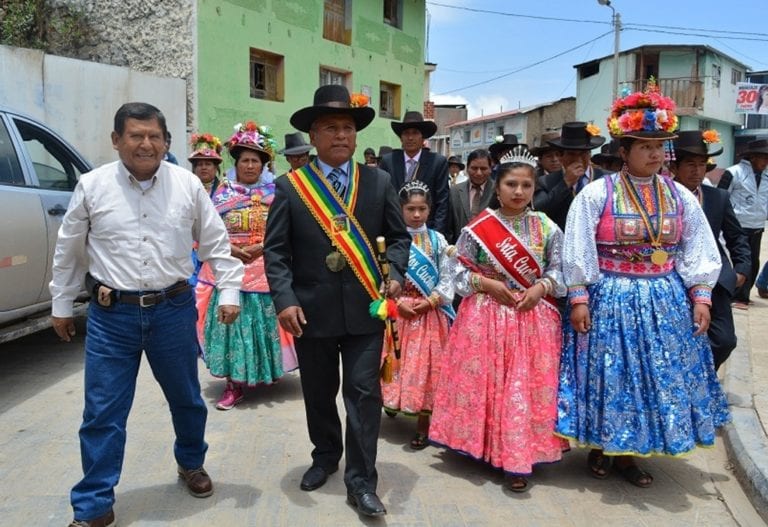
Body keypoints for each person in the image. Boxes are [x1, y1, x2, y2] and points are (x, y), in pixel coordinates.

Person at [50, 102, 244, 527]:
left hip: (172, 311)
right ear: (116, 140)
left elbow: (215, 243)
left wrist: (230, 291)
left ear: (166, 141)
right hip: (110, 316)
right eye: (135, 135)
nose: (146, 143)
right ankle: (94, 504)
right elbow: (69, 250)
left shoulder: (187, 186)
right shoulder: (92, 185)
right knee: (102, 412)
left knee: (187, 400)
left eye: (155, 135)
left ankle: (191, 462)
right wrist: (61, 303)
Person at [557, 84, 729, 489]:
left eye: (659, 147)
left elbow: (697, 246)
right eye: (645, 146)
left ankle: (631, 452)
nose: (655, 154)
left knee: (654, 375)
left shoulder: (680, 197)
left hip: (664, 298)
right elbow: (577, 244)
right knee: (610, 375)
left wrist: (701, 294)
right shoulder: (596, 194)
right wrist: (579, 295)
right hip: (611, 297)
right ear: (624, 150)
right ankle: (603, 445)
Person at [263, 84, 410, 518]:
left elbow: (399, 238)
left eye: (348, 128)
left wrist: (396, 274)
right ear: (314, 134)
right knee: (318, 392)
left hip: (367, 309)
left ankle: (362, 481)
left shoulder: (379, 181)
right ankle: (325, 454)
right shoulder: (292, 188)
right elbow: (276, 251)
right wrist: (284, 300)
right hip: (312, 311)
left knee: (364, 394)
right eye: (331, 128)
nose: (342, 136)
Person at [430, 146, 568, 492]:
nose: (518, 192)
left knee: (522, 387)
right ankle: (482, 445)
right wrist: (485, 282)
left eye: (525, 185)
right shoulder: (479, 228)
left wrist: (542, 286)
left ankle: (518, 456)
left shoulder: (547, 227)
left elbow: (561, 269)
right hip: (485, 318)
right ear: (498, 185)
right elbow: (456, 270)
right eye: (511, 184)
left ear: (534, 188)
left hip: (531, 319)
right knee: (489, 385)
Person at [196, 121, 297, 411]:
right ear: (236, 163)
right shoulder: (222, 196)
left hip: (266, 267)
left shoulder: (276, 195)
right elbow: (207, 233)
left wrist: (262, 247)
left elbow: (286, 231)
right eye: (245, 160)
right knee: (231, 327)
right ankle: (233, 383)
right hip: (230, 269)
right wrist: (233, 249)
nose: (250, 166)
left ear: (263, 165)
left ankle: (262, 372)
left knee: (264, 325)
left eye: (255, 161)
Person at [381, 180, 456, 450]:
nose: (416, 214)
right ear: (400, 209)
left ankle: (424, 425)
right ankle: (392, 401)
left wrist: (432, 300)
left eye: (422, 208)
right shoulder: (390, 239)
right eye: (410, 209)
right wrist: (397, 301)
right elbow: (383, 275)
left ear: (429, 209)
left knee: (427, 371)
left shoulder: (438, 241)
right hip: (399, 312)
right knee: (396, 364)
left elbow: (449, 275)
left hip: (429, 314)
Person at [670, 130, 750, 370]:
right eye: (690, 164)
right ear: (674, 167)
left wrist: (741, 271)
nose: (697, 171)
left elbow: (737, 237)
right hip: (674, 278)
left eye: (702, 164)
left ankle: (704, 375)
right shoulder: (664, 196)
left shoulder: (718, 197)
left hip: (715, 279)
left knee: (725, 340)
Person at [380, 111, 450, 235]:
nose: (410, 137)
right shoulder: (388, 161)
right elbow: (382, 200)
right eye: (406, 133)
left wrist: (436, 236)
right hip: (395, 231)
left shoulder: (437, 162)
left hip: (427, 231)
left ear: (423, 137)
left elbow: (442, 203)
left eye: (415, 133)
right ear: (401, 137)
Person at [717, 139, 768, 309]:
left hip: (757, 225)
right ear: (753, 157)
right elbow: (721, 197)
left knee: (753, 262)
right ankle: (735, 296)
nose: (766, 162)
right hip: (737, 225)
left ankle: (743, 296)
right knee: (738, 261)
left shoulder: (767, 176)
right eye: (764, 158)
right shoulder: (734, 173)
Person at [533, 121, 607, 231]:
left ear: (590, 154)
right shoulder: (546, 182)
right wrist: (566, 182)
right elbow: (539, 212)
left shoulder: (606, 179)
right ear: (561, 156)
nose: (578, 159)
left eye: (583, 153)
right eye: (572, 154)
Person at [188, 133, 224, 286]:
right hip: (190, 250)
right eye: (199, 164)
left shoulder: (226, 191)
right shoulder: (185, 189)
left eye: (208, 164)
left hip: (217, 248)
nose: (203, 167)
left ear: (216, 168)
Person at [446, 149, 495, 244]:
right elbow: (449, 227)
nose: (478, 173)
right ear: (467, 168)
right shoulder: (454, 191)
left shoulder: (498, 191)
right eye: (474, 168)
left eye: (483, 169)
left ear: (490, 169)